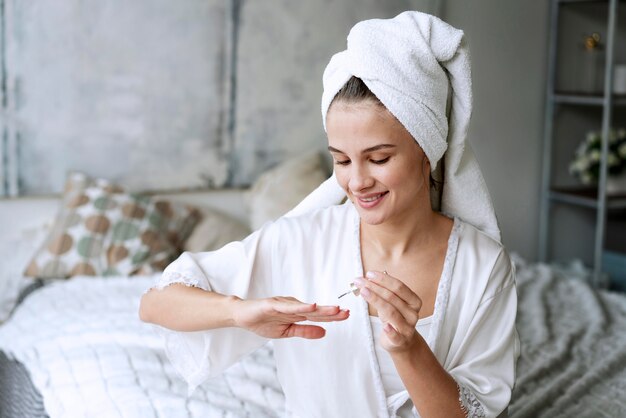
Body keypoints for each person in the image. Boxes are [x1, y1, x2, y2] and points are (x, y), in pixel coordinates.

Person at [140, 10, 519, 418]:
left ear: (427, 152)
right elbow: (155, 304)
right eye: (341, 160)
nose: (357, 182)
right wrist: (239, 311)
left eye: (378, 158)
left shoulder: (482, 266)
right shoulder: (299, 240)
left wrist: (409, 348)